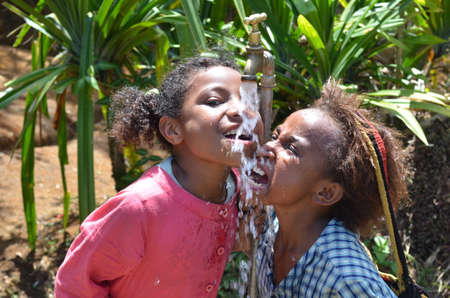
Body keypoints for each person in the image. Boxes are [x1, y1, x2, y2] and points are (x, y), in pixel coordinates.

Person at [54, 54, 263, 297]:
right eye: (215, 101)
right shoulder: (139, 208)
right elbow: (74, 285)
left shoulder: (236, 189)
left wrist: (241, 238)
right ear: (173, 129)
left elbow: (199, 241)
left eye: (250, 101)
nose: (241, 110)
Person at [249, 80, 408, 297]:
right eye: (276, 136)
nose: (267, 148)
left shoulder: (346, 280)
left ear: (326, 192)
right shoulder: (271, 226)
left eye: (291, 149)